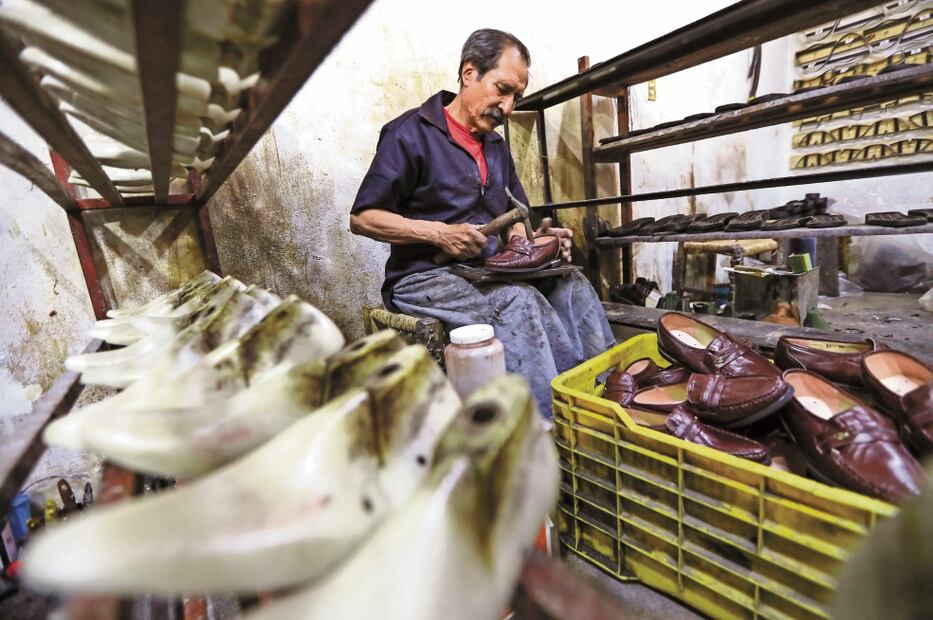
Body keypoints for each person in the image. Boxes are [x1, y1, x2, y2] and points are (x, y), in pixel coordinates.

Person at [349, 28, 614, 416]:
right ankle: (555, 423)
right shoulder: (409, 134)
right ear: (469, 72)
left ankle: (606, 398)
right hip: (424, 276)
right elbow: (362, 218)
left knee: (572, 283)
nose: (507, 107)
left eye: (516, 98)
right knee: (518, 302)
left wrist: (531, 243)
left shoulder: (496, 147)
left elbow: (515, 216)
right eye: (502, 90)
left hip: (485, 271)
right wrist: (438, 233)